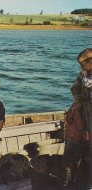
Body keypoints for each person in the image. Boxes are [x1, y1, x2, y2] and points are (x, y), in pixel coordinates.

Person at [61, 48, 92, 189]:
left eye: (82, 64)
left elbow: (85, 86)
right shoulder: (83, 75)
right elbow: (77, 86)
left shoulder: (86, 78)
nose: (80, 68)